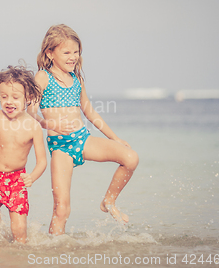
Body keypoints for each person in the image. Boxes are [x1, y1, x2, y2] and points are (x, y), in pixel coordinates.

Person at [27, 24, 139, 235]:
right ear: (50, 53)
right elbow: (31, 109)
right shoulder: (43, 77)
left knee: (131, 158)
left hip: (83, 139)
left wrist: (115, 138)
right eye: (66, 52)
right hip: (61, 147)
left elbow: (90, 113)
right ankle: (54, 252)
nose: (72, 57)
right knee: (62, 209)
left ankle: (109, 201)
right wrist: (50, 124)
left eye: (76, 52)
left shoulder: (77, 79)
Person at [0, 65, 47, 243]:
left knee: (20, 233)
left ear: (27, 98)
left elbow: (42, 162)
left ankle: (16, 257)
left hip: (17, 179)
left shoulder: (33, 127)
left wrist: (32, 177)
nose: (9, 101)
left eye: (15, 97)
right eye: (4, 96)